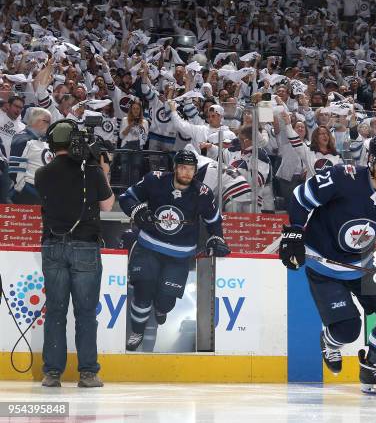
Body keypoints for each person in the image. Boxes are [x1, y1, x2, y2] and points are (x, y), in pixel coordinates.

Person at [279, 133, 376, 394]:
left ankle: (373, 367)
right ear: (372, 160)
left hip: (363, 266)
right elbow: (301, 198)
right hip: (324, 267)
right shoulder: (341, 177)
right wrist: (293, 232)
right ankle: (329, 340)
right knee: (348, 330)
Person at [118, 149, 231, 351]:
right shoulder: (155, 180)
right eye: (183, 168)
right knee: (143, 292)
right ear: (175, 168)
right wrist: (137, 210)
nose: (187, 173)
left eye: (191, 169)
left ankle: (161, 308)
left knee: (165, 302)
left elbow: (214, 221)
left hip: (179, 256)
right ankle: (137, 330)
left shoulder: (203, 193)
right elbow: (127, 197)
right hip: (148, 247)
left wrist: (216, 237)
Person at [34, 119, 115, 388]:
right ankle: (88, 373)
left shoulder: (42, 174)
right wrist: (103, 169)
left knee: (55, 312)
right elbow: (106, 205)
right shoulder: (91, 171)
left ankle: (52, 373)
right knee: (85, 313)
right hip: (85, 247)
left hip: (53, 246)